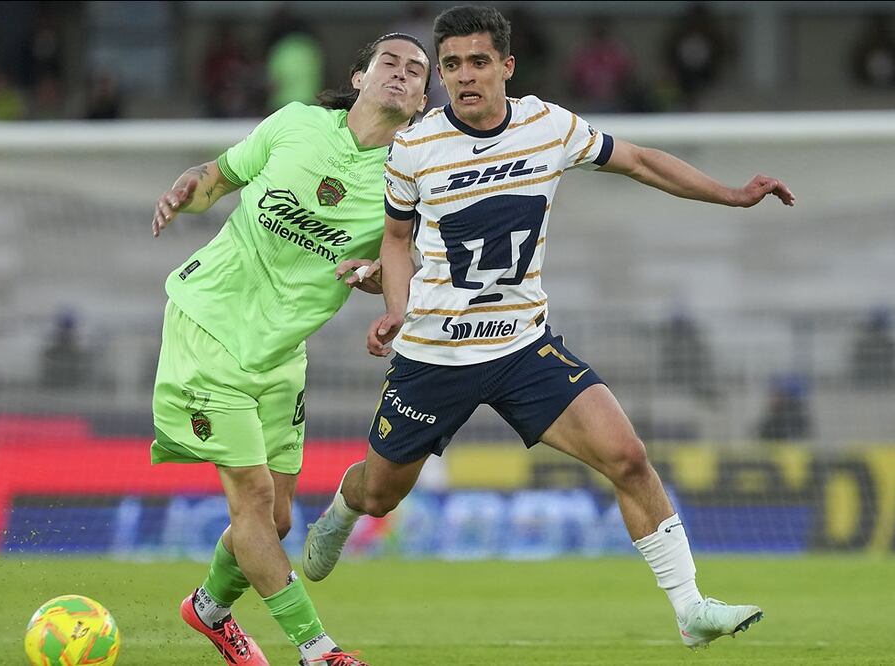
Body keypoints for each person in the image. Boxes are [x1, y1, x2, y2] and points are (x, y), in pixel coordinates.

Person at [303, 5, 795, 652]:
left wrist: (730, 194)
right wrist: (393, 310)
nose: (464, 76)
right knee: (379, 495)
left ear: (506, 66)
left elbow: (641, 161)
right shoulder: (415, 145)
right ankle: (343, 511)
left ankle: (690, 607)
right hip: (433, 356)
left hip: (522, 345)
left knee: (628, 457)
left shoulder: (548, 125)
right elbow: (397, 240)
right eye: (451, 65)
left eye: (478, 62)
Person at [150, 33, 430, 666]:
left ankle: (210, 609)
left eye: (417, 72)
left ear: (419, 102)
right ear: (359, 77)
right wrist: (183, 190)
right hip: (208, 326)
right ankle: (318, 651)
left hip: (280, 355)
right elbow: (215, 178)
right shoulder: (298, 123)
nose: (402, 74)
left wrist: (377, 283)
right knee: (249, 502)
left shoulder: (408, 174)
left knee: (273, 523)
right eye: (390, 62)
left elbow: (400, 272)